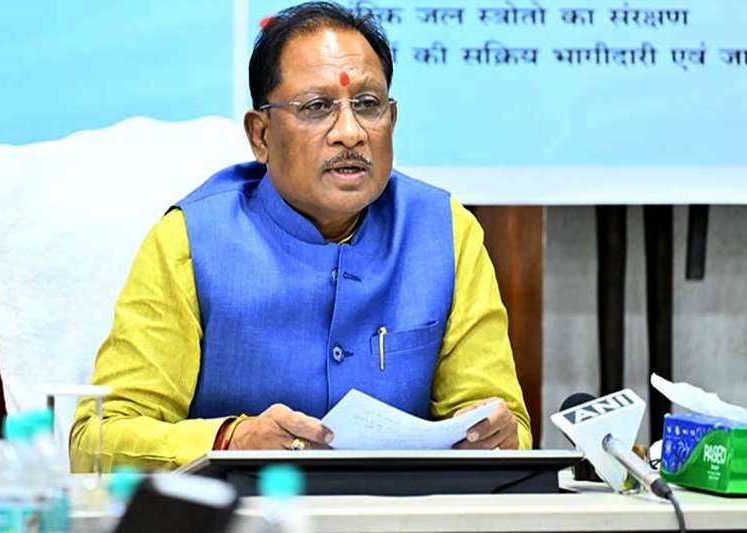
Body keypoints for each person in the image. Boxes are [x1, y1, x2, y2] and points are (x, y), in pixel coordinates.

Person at [70, 1, 531, 472]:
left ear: (391, 120)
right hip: (244, 507)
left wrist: (492, 434)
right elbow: (96, 441)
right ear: (261, 135)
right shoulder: (191, 241)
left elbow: (505, 422)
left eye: (367, 105)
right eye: (316, 107)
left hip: (401, 507)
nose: (350, 133)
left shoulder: (443, 231)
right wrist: (232, 440)